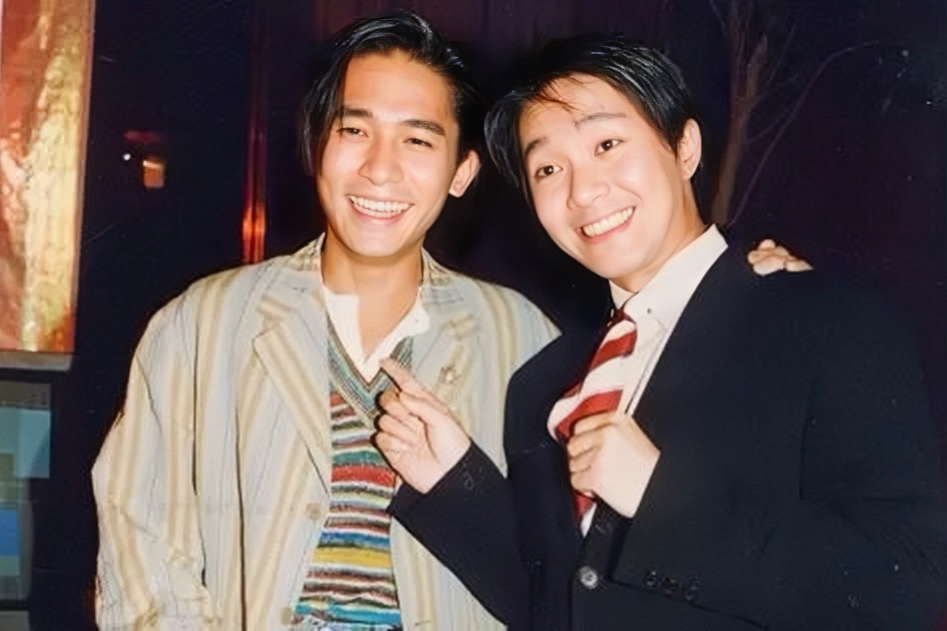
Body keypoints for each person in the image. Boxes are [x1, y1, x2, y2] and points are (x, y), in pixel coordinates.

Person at [376, 35, 947, 630]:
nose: (582, 190)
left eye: (607, 145)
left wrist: (661, 498)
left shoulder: (827, 322)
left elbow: (905, 583)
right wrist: (452, 479)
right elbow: (558, 604)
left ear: (684, 147)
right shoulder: (542, 383)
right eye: (548, 168)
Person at [90, 12, 560, 630]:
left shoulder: (522, 339)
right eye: (354, 130)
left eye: (417, 140)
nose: (380, 168)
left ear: (462, 172)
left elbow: (555, 567)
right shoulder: (201, 326)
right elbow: (142, 552)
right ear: (317, 145)